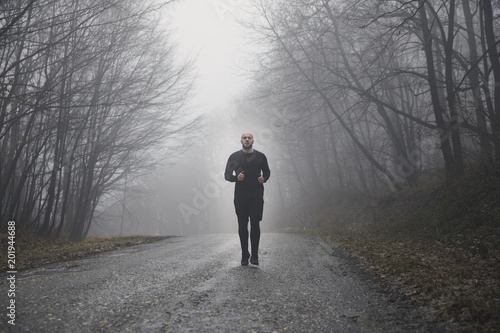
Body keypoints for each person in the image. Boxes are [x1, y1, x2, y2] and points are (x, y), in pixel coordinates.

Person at [224, 132, 270, 266]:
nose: (247, 140)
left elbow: (267, 171)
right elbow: (227, 175)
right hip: (241, 196)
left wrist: (264, 179)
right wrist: (236, 178)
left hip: (256, 195)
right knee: (242, 225)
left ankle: (254, 255)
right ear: (241, 141)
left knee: (255, 223)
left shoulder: (260, 157)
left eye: (249, 138)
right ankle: (245, 254)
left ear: (253, 141)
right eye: (245, 138)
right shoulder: (234, 157)